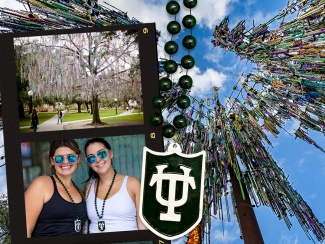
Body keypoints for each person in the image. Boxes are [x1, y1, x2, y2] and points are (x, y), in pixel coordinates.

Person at [25, 139, 87, 237]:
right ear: (52, 161)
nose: (65, 162)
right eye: (59, 158)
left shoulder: (81, 192)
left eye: (71, 157)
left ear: (78, 159)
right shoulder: (41, 184)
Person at [83, 137, 146, 233]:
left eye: (101, 154)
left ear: (110, 154)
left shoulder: (132, 183)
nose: (98, 160)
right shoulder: (88, 186)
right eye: (91, 158)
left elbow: (143, 226)